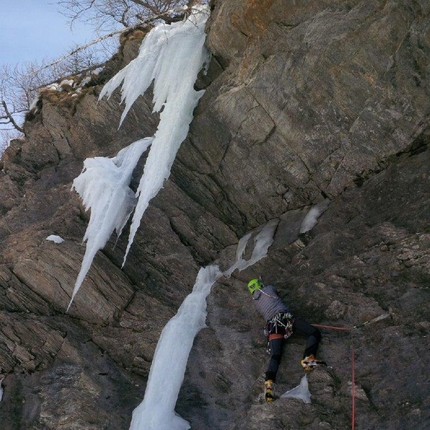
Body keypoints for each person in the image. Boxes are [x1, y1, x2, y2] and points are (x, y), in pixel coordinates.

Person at [247, 278, 325, 402]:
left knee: (275, 356)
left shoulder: (255, 303)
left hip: (273, 327)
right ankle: (308, 358)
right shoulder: (268, 289)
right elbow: (278, 292)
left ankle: (269, 386)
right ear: (260, 284)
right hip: (285, 319)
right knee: (314, 332)